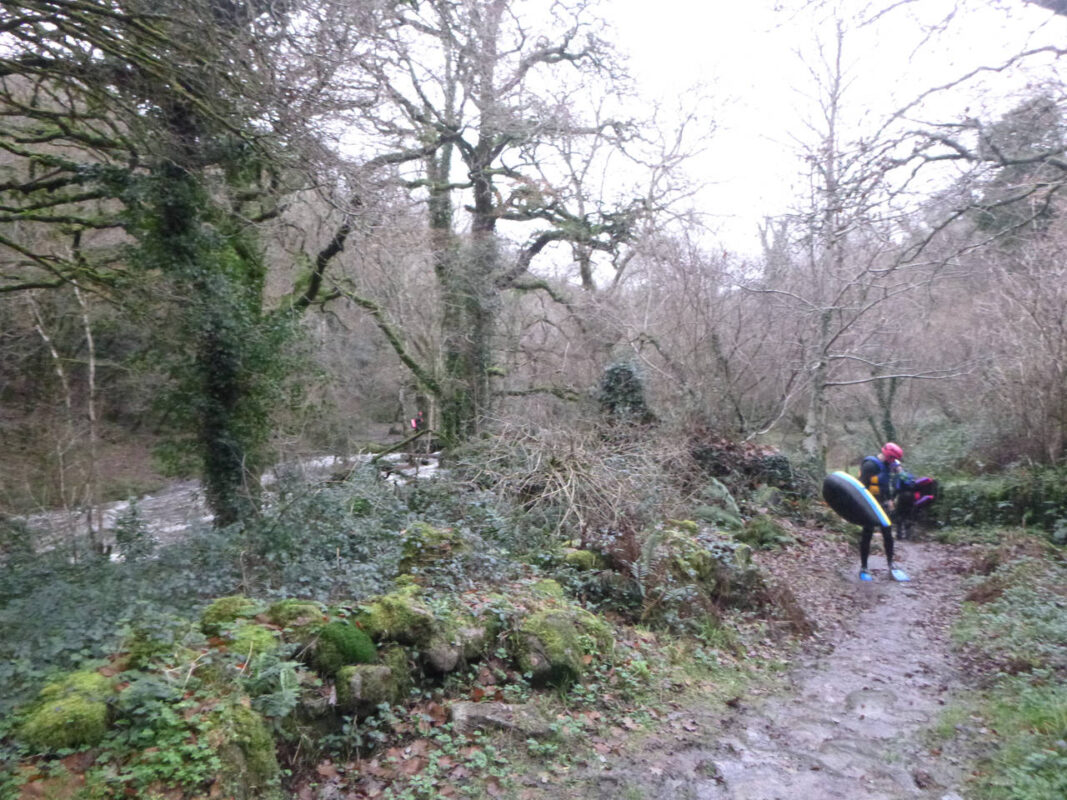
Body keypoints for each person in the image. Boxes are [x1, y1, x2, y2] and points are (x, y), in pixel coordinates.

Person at [858, 442, 905, 581]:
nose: (893, 461)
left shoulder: (888, 466)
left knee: (888, 535)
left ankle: (891, 564)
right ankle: (864, 567)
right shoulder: (870, 465)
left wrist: (890, 499)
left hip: (883, 505)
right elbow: (861, 486)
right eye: (892, 458)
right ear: (887, 455)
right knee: (867, 534)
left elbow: (887, 485)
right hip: (870, 504)